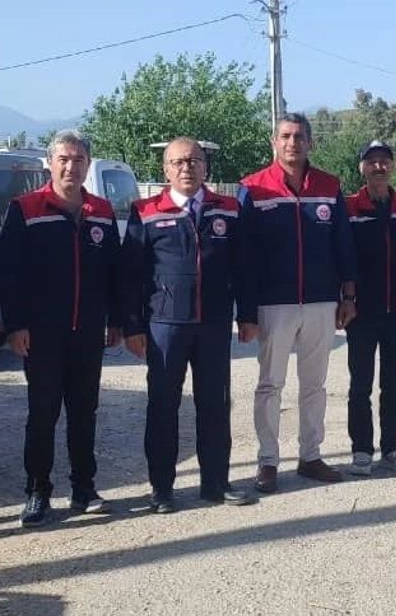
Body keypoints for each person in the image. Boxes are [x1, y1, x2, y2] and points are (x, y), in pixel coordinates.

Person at [0, 130, 123, 527]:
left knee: (85, 412)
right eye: (63, 159)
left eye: (79, 159)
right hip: (42, 333)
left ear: (88, 164)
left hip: (88, 331)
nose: (71, 166)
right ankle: (37, 491)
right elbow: (6, 271)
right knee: (43, 413)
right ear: (50, 163)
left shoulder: (101, 210)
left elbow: (115, 272)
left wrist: (116, 320)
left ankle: (84, 489)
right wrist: (16, 325)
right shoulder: (27, 208)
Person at [121, 137, 256, 513]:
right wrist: (132, 326)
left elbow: (245, 266)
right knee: (163, 405)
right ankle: (162, 489)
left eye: (194, 160)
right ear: (165, 169)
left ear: (205, 166)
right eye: (178, 162)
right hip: (165, 325)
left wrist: (248, 315)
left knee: (215, 404)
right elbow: (130, 274)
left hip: (214, 324)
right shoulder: (146, 211)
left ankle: (216, 483)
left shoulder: (228, 209)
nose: (187, 168)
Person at [237, 113, 357, 493]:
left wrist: (348, 296)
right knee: (270, 384)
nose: (293, 143)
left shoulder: (329, 186)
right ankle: (267, 461)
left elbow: (343, 245)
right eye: (286, 136)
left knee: (314, 385)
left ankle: (310, 456)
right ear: (274, 142)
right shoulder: (253, 188)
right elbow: (244, 257)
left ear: (310, 143)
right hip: (273, 303)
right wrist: (246, 312)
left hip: (321, 301)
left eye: (300, 136)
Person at [343, 140, 396, 477]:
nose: (378, 166)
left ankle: (392, 448)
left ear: (392, 166)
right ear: (362, 168)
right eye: (372, 161)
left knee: (394, 386)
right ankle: (361, 451)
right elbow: (343, 258)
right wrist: (346, 299)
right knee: (360, 385)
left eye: (384, 161)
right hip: (361, 312)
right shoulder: (349, 207)